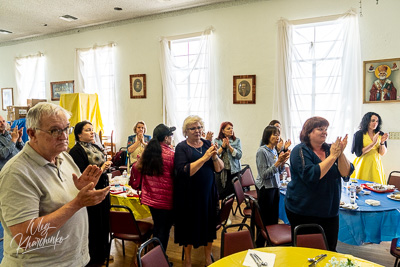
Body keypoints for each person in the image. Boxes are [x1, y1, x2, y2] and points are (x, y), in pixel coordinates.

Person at [0, 102, 109, 266]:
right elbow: (25, 236)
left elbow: (63, 200)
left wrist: (81, 189)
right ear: (32, 133)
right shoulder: (17, 173)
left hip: (74, 260)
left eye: (66, 129)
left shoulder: (63, 157)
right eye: (55, 130)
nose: (64, 136)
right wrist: (77, 203)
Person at [285, 116, 353, 251]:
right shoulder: (300, 151)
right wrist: (333, 156)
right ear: (308, 132)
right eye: (320, 129)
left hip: (329, 211)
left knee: (330, 248)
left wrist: (340, 154)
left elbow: (346, 173)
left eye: (326, 129)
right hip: (304, 211)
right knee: (307, 251)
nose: (325, 132)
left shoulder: (330, 149)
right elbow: (311, 175)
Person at [174, 115, 224, 267]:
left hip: (208, 194)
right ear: (186, 132)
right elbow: (185, 171)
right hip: (189, 195)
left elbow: (219, 168)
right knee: (189, 227)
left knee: (208, 226)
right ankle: (187, 259)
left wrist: (214, 157)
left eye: (199, 127)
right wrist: (205, 157)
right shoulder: (182, 147)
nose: (197, 131)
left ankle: (207, 257)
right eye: (193, 128)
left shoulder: (208, 143)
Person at [69, 121, 112, 265]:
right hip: (91, 190)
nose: (92, 132)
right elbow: (82, 173)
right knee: (94, 224)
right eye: (88, 130)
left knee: (104, 221)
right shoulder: (76, 151)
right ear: (79, 134)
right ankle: (94, 256)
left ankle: (104, 252)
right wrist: (102, 168)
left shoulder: (93, 146)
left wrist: (106, 166)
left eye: (92, 130)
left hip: (103, 186)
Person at [135, 124, 175, 251]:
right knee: (164, 230)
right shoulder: (171, 154)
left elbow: (138, 168)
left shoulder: (148, 153)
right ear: (167, 138)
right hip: (165, 200)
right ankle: (160, 258)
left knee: (158, 227)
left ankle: (155, 257)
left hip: (150, 198)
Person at [255, 125, 290, 247]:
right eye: (274, 134)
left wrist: (282, 164)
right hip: (266, 189)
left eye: (278, 134)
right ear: (267, 136)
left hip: (275, 187)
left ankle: (271, 245)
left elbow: (278, 172)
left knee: (273, 219)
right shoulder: (262, 151)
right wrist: (278, 162)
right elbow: (264, 175)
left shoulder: (274, 150)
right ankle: (259, 246)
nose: (277, 137)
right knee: (264, 221)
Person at [351, 112, 388, 184]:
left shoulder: (380, 134)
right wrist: (373, 143)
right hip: (362, 164)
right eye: (373, 121)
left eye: (377, 121)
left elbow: (382, 153)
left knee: (377, 187)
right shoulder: (359, 134)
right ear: (367, 121)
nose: (375, 123)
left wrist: (382, 142)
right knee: (361, 187)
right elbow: (358, 153)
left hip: (375, 164)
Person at [213, 121, 242, 200]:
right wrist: (222, 146)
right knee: (221, 194)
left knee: (232, 194)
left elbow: (239, 155)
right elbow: (215, 155)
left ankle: (229, 209)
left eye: (232, 128)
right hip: (221, 171)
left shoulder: (237, 140)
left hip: (234, 171)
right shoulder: (216, 141)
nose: (231, 130)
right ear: (222, 131)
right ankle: (222, 210)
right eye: (228, 128)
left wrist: (229, 146)